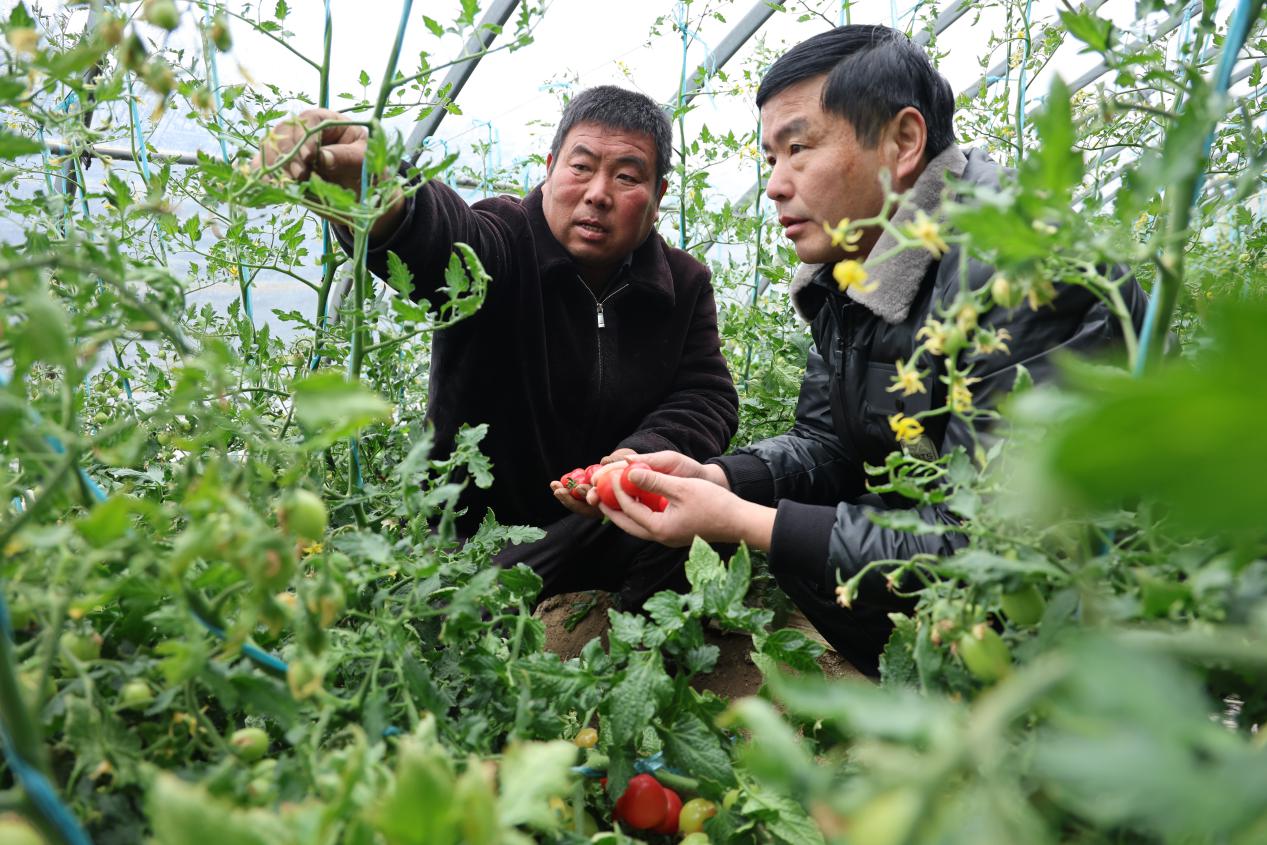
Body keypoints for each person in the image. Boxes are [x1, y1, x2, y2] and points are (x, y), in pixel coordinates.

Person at [590, 25, 1147, 675]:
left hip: (1075, 624)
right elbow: (824, 442)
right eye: (770, 159)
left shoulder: (1022, 270)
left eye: (797, 148)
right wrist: (718, 479)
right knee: (802, 539)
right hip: (950, 594)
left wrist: (743, 520)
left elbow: (1002, 546)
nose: (774, 183)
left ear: (903, 141)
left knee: (795, 540)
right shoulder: (853, 269)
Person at [257, 86, 739, 608]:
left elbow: (705, 393)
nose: (599, 193)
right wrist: (377, 192)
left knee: (711, 524)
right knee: (462, 607)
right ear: (551, 166)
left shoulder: (683, 284)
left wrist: (636, 459)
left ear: (658, 195)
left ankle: (629, 657)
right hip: (484, 539)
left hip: (611, 521)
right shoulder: (506, 240)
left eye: (626, 176)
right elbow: (449, 243)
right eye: (581, 167)